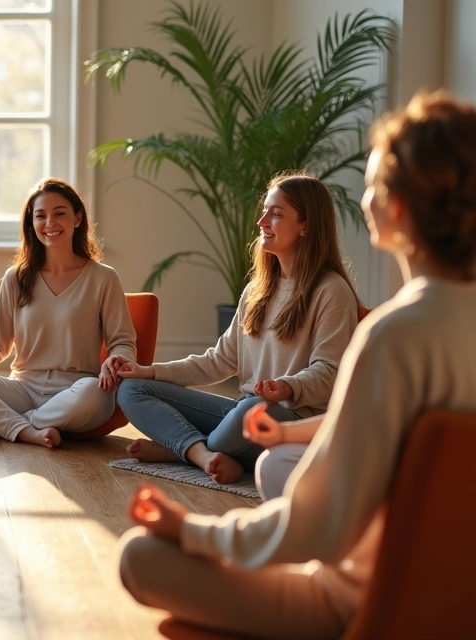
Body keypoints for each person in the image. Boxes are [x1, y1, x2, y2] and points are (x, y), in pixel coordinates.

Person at [116, 89, 476, 638]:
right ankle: (197, 449)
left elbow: (319, 528)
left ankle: (188, 452)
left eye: (372, 187)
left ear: (398, 208)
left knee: (139, 557)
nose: (362, 201)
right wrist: (152, 373)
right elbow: (221, 359)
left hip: (358, 604)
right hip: (454, 601)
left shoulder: (393, 335)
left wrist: (191, 529)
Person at [114, 174, 359, 484]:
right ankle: (204, 454)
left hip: (291, 422)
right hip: (241, 413)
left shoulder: (331, 291)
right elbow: (219, 361)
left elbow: (331, 372)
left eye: (276, 214)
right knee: (132, 389)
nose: (262, 221)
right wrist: (148, 371)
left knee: (251, 411)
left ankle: (182, 450)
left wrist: (286, 387)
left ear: (306, 226)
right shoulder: (257, 290)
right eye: (266, 210)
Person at [0, 178, 136, 449]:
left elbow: (123, 342)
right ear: (31, 224)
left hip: (76, 392)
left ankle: (3, 424)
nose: (50, 223)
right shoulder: (17, 278)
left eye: (59, 213)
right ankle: (24, 429)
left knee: (97, 393)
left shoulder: (103, 278)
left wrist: (116, 360)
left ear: (77, 218)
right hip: (22, 389)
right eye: (40, 216)